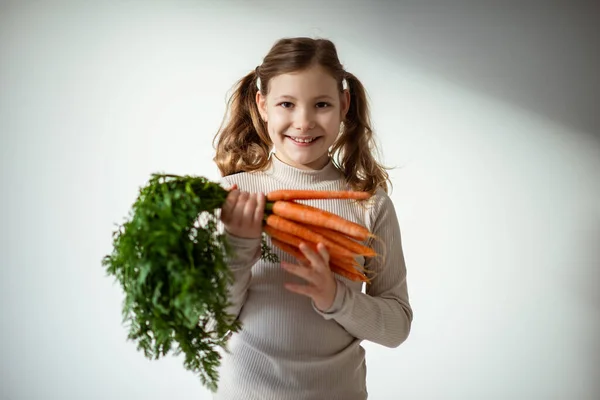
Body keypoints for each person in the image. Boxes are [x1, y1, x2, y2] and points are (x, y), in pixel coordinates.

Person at [211, 37, 413, 400]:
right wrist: (238, 248)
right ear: (263, 105)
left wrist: (336, 297)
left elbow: (397, 326)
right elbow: (208, 325)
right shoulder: (232, 199)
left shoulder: (370, 205)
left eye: (321, 104)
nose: (303, 122)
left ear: (344, 105)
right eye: (286, 104)